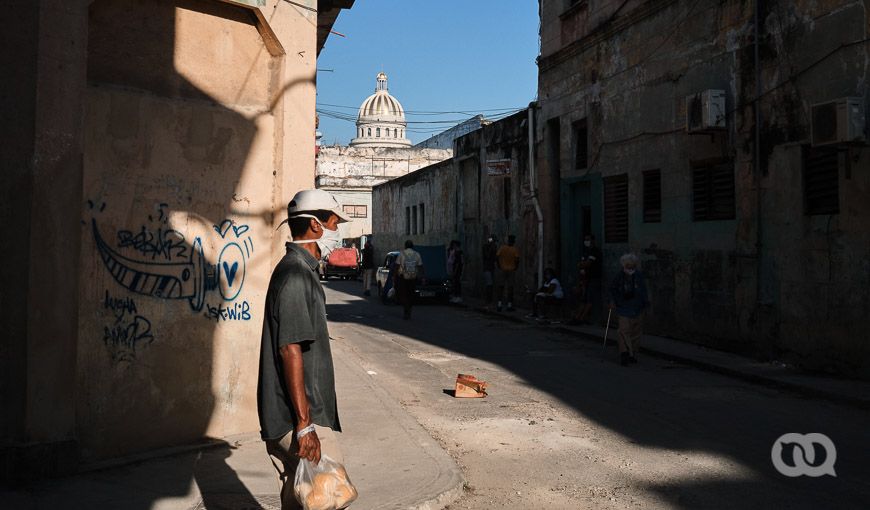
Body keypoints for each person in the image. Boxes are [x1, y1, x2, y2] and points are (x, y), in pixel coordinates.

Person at [257, 188, 351, 509]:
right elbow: (290, 350)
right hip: (297, 420)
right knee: (330, 496)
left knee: (301, 499)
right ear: (315, 225)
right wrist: (305, 425)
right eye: (334, 224)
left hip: (295, 417)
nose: (338, 232)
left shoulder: (302, 271)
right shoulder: (296, 275)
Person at [609, 253, 649, 366]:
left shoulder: (639, 276)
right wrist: (612, 301)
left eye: (632, 266)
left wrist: (645, 304)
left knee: (636, 333)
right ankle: (624, 353)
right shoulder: (619, 276)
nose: (630, 269)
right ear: (623, 266)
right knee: (623, 331)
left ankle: (633, 353)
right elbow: (612, 289)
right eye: (628, 266)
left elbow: (644, 291)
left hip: (637, 307)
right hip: (623, 307)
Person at [395, 240, 423, 319]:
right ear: (412, 246)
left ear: (405, 246)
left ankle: (406, 309)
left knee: (404, 294)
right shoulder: (417, 254)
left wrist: (395, 276)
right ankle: (409, 310)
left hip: (403, 278)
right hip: (413, 278)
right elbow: (420, 266)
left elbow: (397, 265)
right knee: (411, 294)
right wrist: (423, 277)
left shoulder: (401, 254)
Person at [581, 234, 603, 323]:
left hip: (594, 277)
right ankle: (582, 317)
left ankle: (582, 318)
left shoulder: (595, 251)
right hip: (586, 278)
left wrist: (583, 264)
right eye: (585, 239)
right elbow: (583, 264)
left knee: (590, 298)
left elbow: (586, 264)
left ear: (593, 240)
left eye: (588, 239)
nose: (586, 241)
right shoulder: (586, 252)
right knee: (584, 298)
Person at [495, 235, 519, 312]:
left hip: (503, 269)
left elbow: (497, 257)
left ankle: (499, 304)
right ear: (513, 241)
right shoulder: (514, 249)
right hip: (511, 270)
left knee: (501, 287)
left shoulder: (502, 248)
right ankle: (509, 305)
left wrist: (499, 265)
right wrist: (516, 267)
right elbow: (517, 259)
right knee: (510, 288)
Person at [568, 257, 592, 325]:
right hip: (582, 288)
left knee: (585, 302)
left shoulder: (585, 271)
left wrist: (581, 287)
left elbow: (584, 280)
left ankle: (579, 318)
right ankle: (578, 317)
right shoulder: (582, 271)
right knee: (581, 302)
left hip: (584, 288)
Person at [482, 235, 498, 307]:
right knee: (489, 285)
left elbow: (495, 258)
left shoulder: (494, 247)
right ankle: (488, 301)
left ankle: (489, 301)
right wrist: (492, 248)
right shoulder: (485, 247)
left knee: (490, 285)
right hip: (487, 268)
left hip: (491, 268)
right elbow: (487, 256)